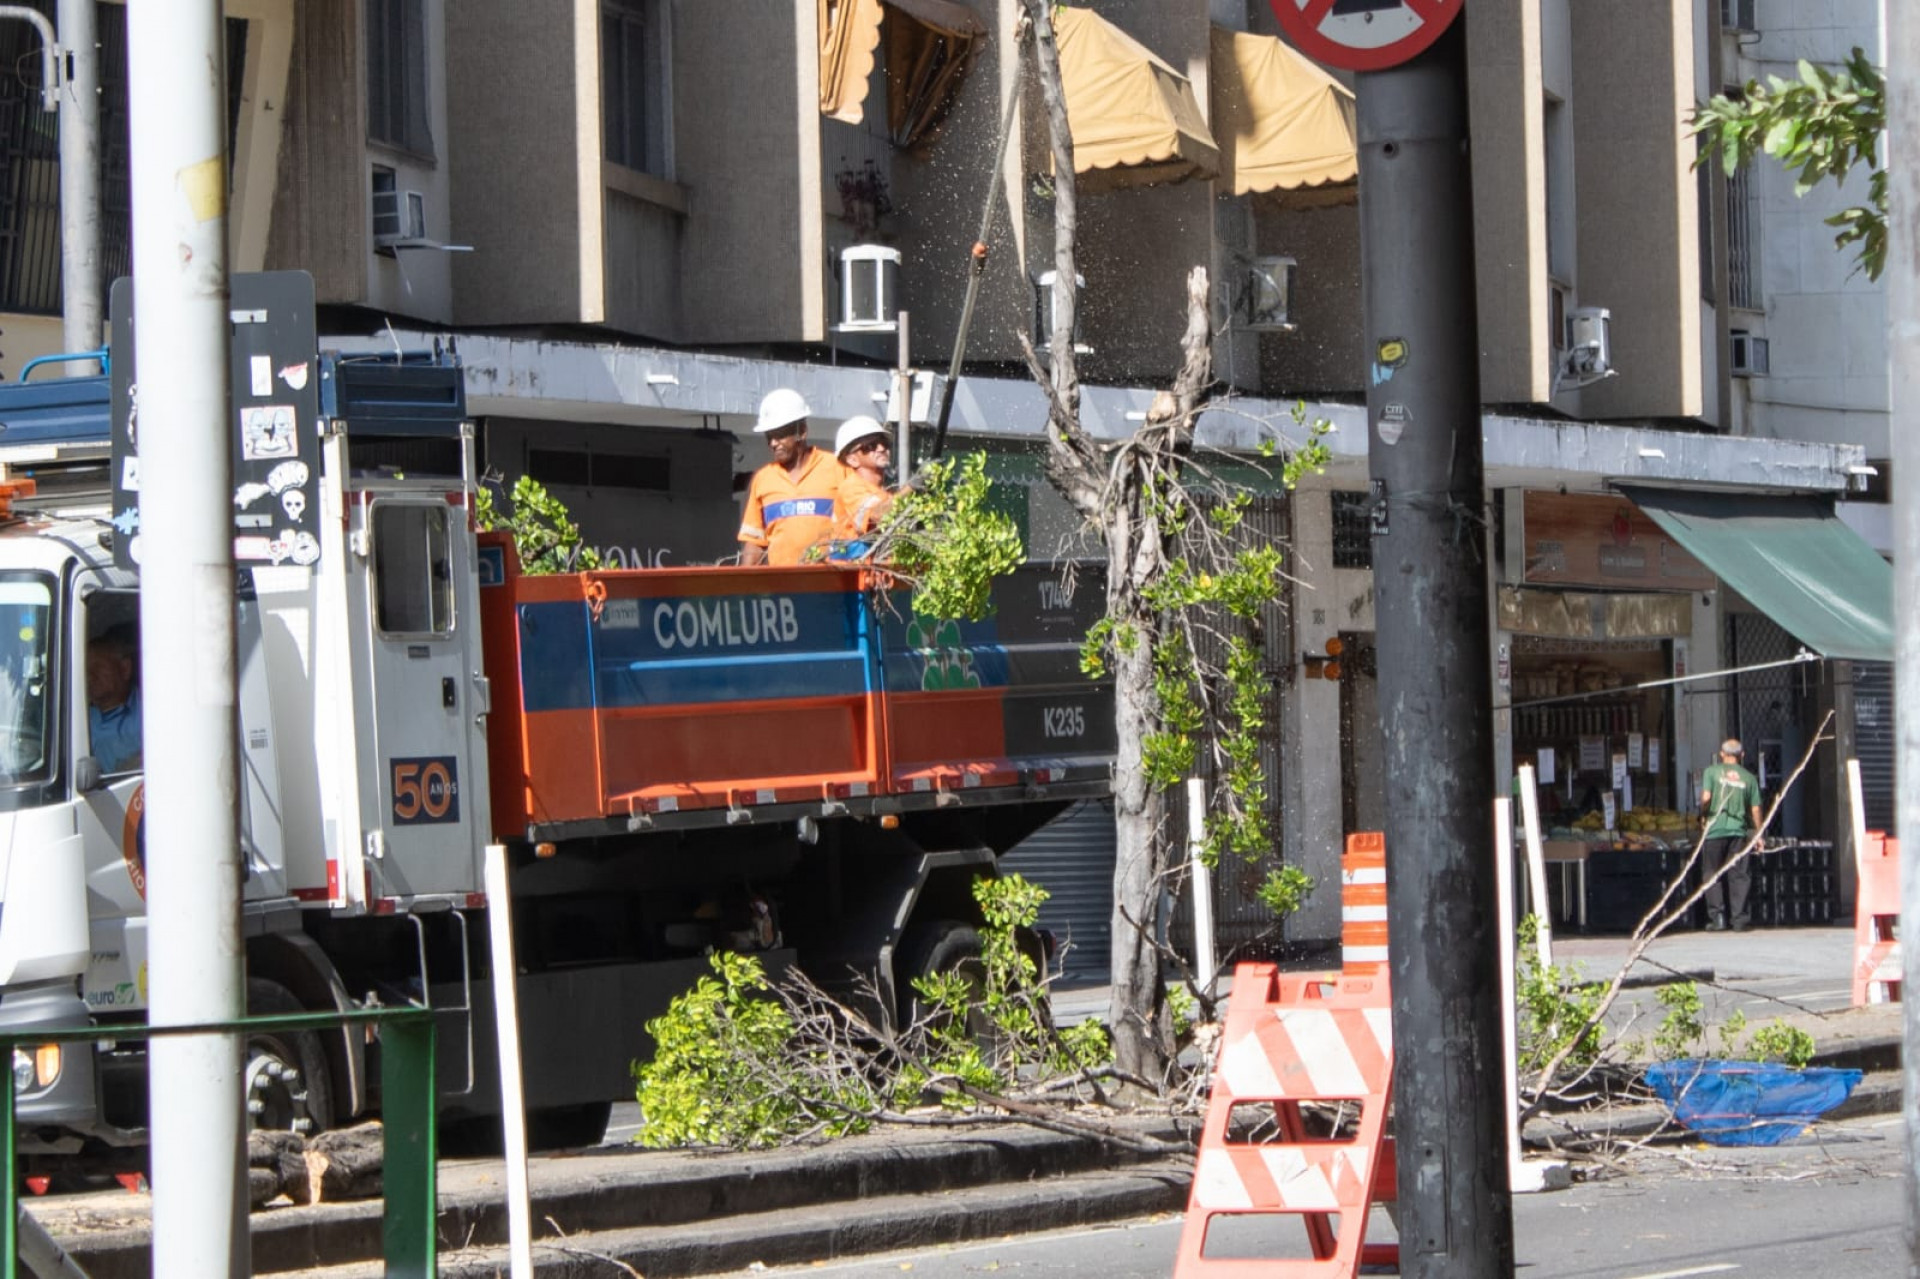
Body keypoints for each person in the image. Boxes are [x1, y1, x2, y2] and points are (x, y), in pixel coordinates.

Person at [737, 388, 848, 566]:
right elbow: (754, 542)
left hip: (832, 584)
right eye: (769, 436)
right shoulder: (764, 479)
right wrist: (744, 588)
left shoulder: (836, 468)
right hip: (784, 587)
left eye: (780, 435)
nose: (773, 443)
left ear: (802, 431)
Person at [1698, 737, 1763, 931]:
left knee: (1712, 873)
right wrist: (1759, 834)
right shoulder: (1749, 778)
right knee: (1740, 875)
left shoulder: (1711, 772)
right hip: (1738, 832)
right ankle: (1739, 920)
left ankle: (1717, 918)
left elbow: (1706, 798)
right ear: (1742, 755)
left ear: (1721, 754)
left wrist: (1702, 814)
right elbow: (1756, 809)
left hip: (1714, 831)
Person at [830, 415, 897, 549]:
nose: (881, 448)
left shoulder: (887, 491)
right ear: (852, 460)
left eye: (883, 442)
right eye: (870, 445)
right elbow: (877, 516)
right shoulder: (851, 488)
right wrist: (910, 489)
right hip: (853, 568)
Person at [86, 623, 141, 774]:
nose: (90, 677)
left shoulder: (154, 711)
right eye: (86, 670)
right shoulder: (76, 718)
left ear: (125, 668)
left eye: (98, 668)